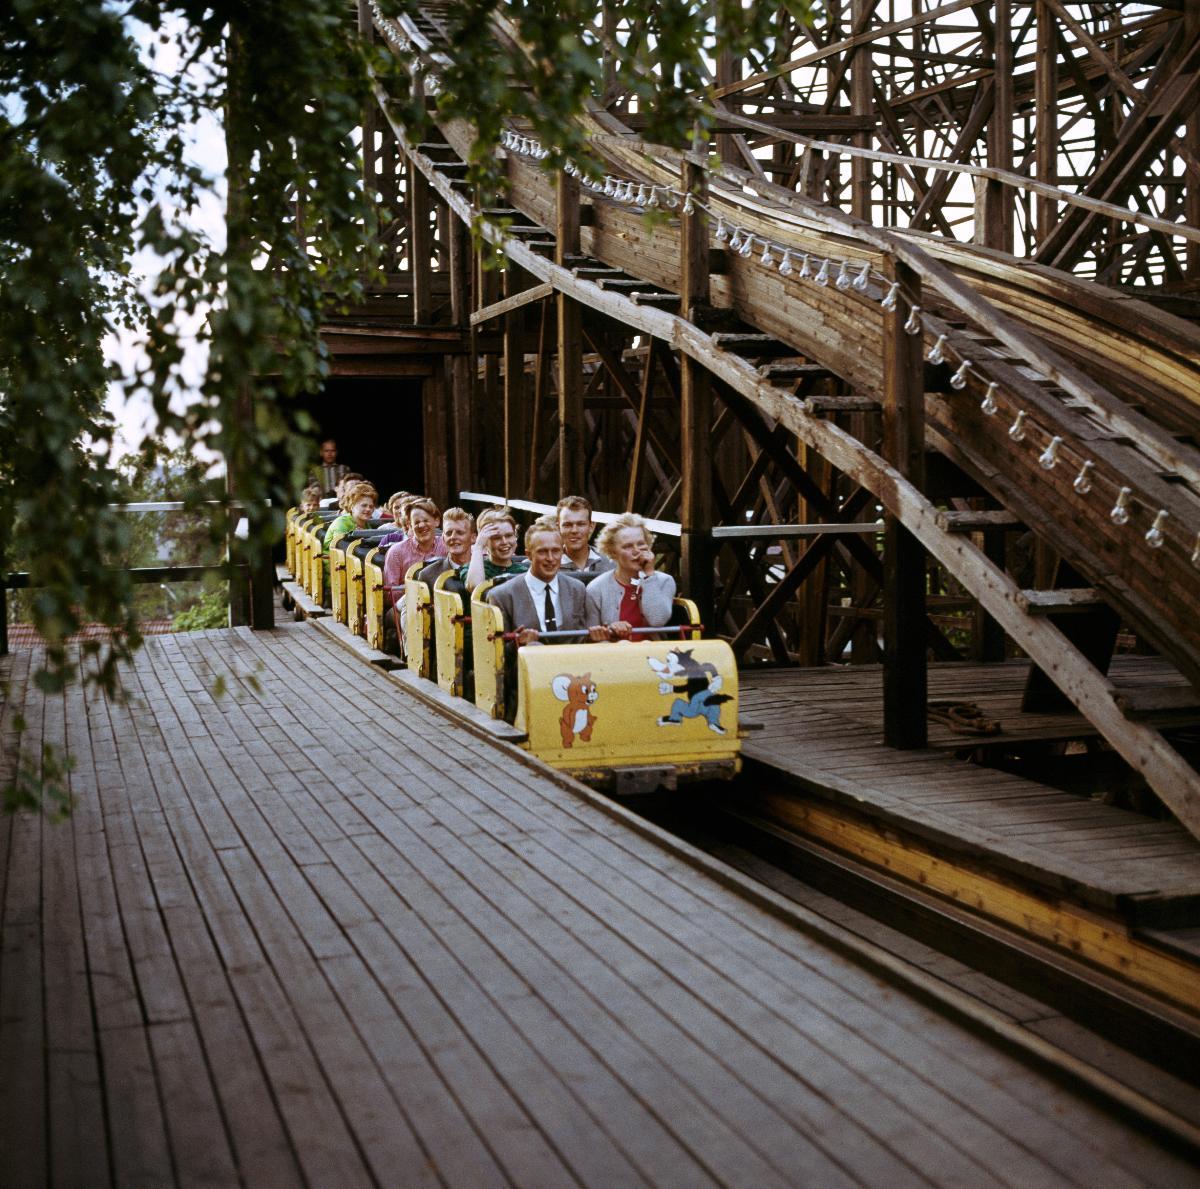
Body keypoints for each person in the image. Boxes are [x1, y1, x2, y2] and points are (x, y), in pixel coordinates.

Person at [486, 522, 588, 646]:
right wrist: (518, 643)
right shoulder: (502, 596)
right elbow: (496, 652)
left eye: (555, 551)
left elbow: (582, 639)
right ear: (528, 555)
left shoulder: (577, 589)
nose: (550, 558)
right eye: (542, 552)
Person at [585, 512, 675, 639]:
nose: (636, 551)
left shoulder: (665, 581)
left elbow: (657, 621)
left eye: (641, 544)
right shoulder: (596, 589)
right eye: (627, 546)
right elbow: (592, 638)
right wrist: (611, 633)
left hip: (653, 654)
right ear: (612, 552)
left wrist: (649, 575)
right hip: (614, 654)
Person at [382, 497, 447, 610]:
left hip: (439, 605)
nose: (421, 525)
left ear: (436, 521)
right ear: (410, 525)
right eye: (416, 522)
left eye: (426, 521)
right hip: (403, 607)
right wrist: (416, 590)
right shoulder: (396, 551)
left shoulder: (446, 545)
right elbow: (389, 596)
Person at [460, 506, 528, 591]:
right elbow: (475, 587)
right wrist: (478, 546)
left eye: (509, 536)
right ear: (485, 542)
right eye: (497, 538)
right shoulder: (471, 568)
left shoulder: (525, 572)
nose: (504, 542)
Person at [557, 495, 614, 580]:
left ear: (591, 526)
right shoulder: (549, 565)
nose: (574, 530)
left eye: (581, 524)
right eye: (567, 525)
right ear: (558, 528)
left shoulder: (610, 564)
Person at [416, 507, 475, 586]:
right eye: (449, 533)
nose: (453, 537)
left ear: (473, 538)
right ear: (443, 539)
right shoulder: (428, 575)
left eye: (460, 533)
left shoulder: (487, 570)